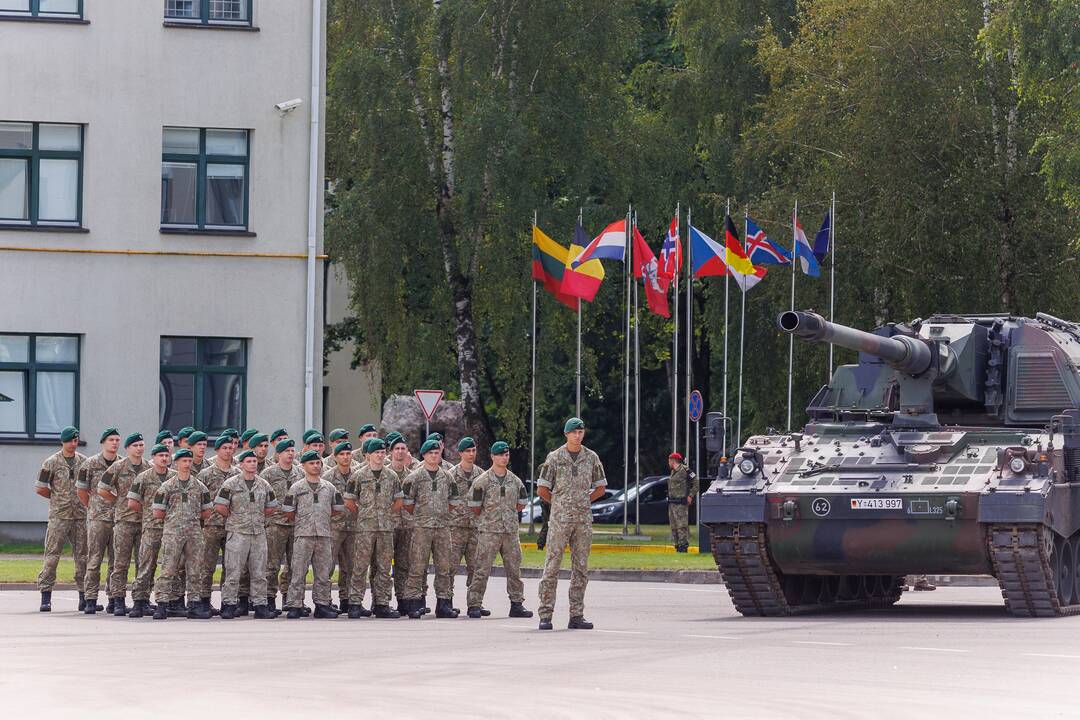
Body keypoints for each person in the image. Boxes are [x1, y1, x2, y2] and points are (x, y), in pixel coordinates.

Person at [536, 417, 606, 631]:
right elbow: (542, 489)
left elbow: (600, 487)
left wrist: (583, 501)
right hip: (559, 520)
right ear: (566, 434)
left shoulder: (591, 457)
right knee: (552, 566)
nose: (577, 435)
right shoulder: (555, 458)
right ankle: (545, 614)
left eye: (580, 431)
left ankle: (577, 615)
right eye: (573, 432)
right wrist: (559, 504)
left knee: (581, 568)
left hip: (582, 520)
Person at [465, 441, 533, 619]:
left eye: (507, 454)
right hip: (489, 531)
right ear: (493, 457)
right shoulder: (482, 481)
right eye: (501, 454)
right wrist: (491, 518)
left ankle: (517, 604)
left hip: (510, 532)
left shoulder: (515, 481)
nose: (505, 457)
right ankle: (474, 604)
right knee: (482, 569)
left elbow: (521, 504)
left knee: (514, 569)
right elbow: (475, 506)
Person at [343, 437, 404, 619]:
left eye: (382, 452)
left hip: (385, 529)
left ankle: (382, 603)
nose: (380, 455)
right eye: (376, 452)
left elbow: (399, 500)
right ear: (368, 455)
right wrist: (363, 514)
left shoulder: (391, 476)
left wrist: (385, 513)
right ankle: (355, 603)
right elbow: (349, 501)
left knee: (384, 567)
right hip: (365, 529)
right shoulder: (358, 476)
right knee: (360, 566)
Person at [402, 438, 462, 619]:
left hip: (443, 528)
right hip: (422, 528)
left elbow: (453, 501)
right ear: (424, 455)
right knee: (417, 567)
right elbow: (407, 503)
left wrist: (441, 514)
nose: (434, 456)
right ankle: (414, 603)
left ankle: (443, 604)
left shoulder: (447, 476)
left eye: (437, 453)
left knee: (444, 567)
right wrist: (423, 516)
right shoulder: (414, 477)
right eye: (431, 453)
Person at [214, 450, 277, 619]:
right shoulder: (231, 484)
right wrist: (236, 518)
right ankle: (228, 604)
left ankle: (260, 605)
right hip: (238, 532)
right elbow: (220, 506)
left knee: (259, 571)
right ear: (241, 464)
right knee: (233, 571)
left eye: (254, 461)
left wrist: (258, 517)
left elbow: (271, 506)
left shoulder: (263, 484)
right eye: (248, 461)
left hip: (258, 533)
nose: (252, 464)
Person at [152, 449, 213, 620]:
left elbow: (207, 510)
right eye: (183, 461)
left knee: (195, 569)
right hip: (173, 533)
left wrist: (190, 519)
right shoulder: (167, 486)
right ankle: (162, 604)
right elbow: (157, 512)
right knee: (168, 568)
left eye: (189, 461)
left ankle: (194, 604)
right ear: (176, 463)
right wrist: (176, 520)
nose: (187, 464)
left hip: (194, 533)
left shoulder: (199, 486)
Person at [283, 450, 344, 619]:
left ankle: (322, 604)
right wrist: (305, 520)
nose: (316, 466)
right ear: (303, 466)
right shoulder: (296, 488)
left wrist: (321, 519)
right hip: (303, 535)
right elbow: (288, 511)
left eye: (318, 463)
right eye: (311, 463)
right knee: (298, 571)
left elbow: (337, 508)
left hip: (324, 535)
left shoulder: (329, 487)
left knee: (323, 572)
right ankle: (295, 604)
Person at [34, 425, 88, 612]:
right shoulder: (52, 462)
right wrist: (57, 498)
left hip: (80, 516)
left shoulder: (84, 462)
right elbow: (40, 487)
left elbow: (89, 487)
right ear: (63, 442)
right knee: (52, 556)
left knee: (83, 557)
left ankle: (84, 596)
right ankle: (46, 596)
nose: (73, 444)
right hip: (59, 516)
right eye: (70, 440)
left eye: (75, 440)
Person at [98, 432, 149, 615]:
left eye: (141, 445)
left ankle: (141, 599)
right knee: (120, 563)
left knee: (144, 563)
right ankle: (118, 600)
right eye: (135, 445)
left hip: (143, 521)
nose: (139, 448)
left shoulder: (148, 467)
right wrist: (118, 499)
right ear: (127, 448)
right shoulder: (118, 467)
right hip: (124, 521)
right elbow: (102, 489)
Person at [75, 427, 119, 613]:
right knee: (94, 560)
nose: (115, 443)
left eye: (117, 440)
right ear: (103, 443)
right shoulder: (90, 464)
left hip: (118, 519)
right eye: (111, 440)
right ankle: (90, 598)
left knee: (116, 561)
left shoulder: (122, 464)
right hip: (97, 519)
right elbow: (81, 491)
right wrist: (92, 507)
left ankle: (113, 598)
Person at [126, 444, 173, 618]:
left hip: (170, 529)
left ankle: (169, 600)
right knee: (146, 565)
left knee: (170, 566)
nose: (164, 458)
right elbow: (132, 502)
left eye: (166, 455)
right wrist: (148, 512)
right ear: (153, 458)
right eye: (160, 455)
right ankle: (139, 601)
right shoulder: (143, 477)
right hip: (151, 527)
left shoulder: (175, 478)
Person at [196, 435, 239, 615]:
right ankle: (204, 600)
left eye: (230, 448)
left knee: (231, 566)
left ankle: (227, 602)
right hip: (210, 526)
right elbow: (197, 500)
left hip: (232, 526)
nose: (228, 451)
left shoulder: (238, 474)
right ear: (217, 450)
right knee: (207, 565)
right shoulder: (205, 474)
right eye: (224, 448)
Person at [261, 438, 303, 616]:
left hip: (296, 524)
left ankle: (291, 600)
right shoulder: (268, 474)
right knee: (272, 564)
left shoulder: (300, 473)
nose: (290, 454)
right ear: (278, 454)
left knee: (296, 564)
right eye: (287, 451)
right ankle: (269, 599)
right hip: (275, 525)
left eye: (292, 451)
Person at [386, 433, 423, 614]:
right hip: (387, 525)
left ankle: (403, 600)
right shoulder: (384, 474)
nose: (400, 452)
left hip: (408, 525)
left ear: (407, 452)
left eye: (403, 448)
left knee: (404, 564)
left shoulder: (413, 477)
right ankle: (382, 601)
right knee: (383, 564)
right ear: (391, 452)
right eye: (397, 449)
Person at [323, 441, 359, 613]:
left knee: (351, 566)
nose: (345, 457)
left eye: (348, 454)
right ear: (335, 457)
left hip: (353, 526)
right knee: (327, 566)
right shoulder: (328, 477)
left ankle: (348, 601)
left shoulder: (358, 475)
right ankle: (325, 601)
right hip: (334, 527)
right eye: (342, 454)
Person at [449, 436, 483, 613]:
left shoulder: (482, 475)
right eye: (467, 451)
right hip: (455, 527)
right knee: (450, 566)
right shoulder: (451, 475)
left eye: (473, 450)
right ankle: (446, 601)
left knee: (476, 567)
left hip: (476, 528)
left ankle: (475, 604)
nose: (471, 454)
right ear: (460, 453)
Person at [665, 452, 696, 553]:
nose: (668, 462)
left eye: (669, 460)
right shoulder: (673, 471)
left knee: (681, 526)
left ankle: (683, 547)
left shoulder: (685, 470)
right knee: (674, 526)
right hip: (672, 503)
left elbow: (696, 482)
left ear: (673, 460)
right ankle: (677, 546)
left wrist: (691, 495)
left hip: (680, 503)